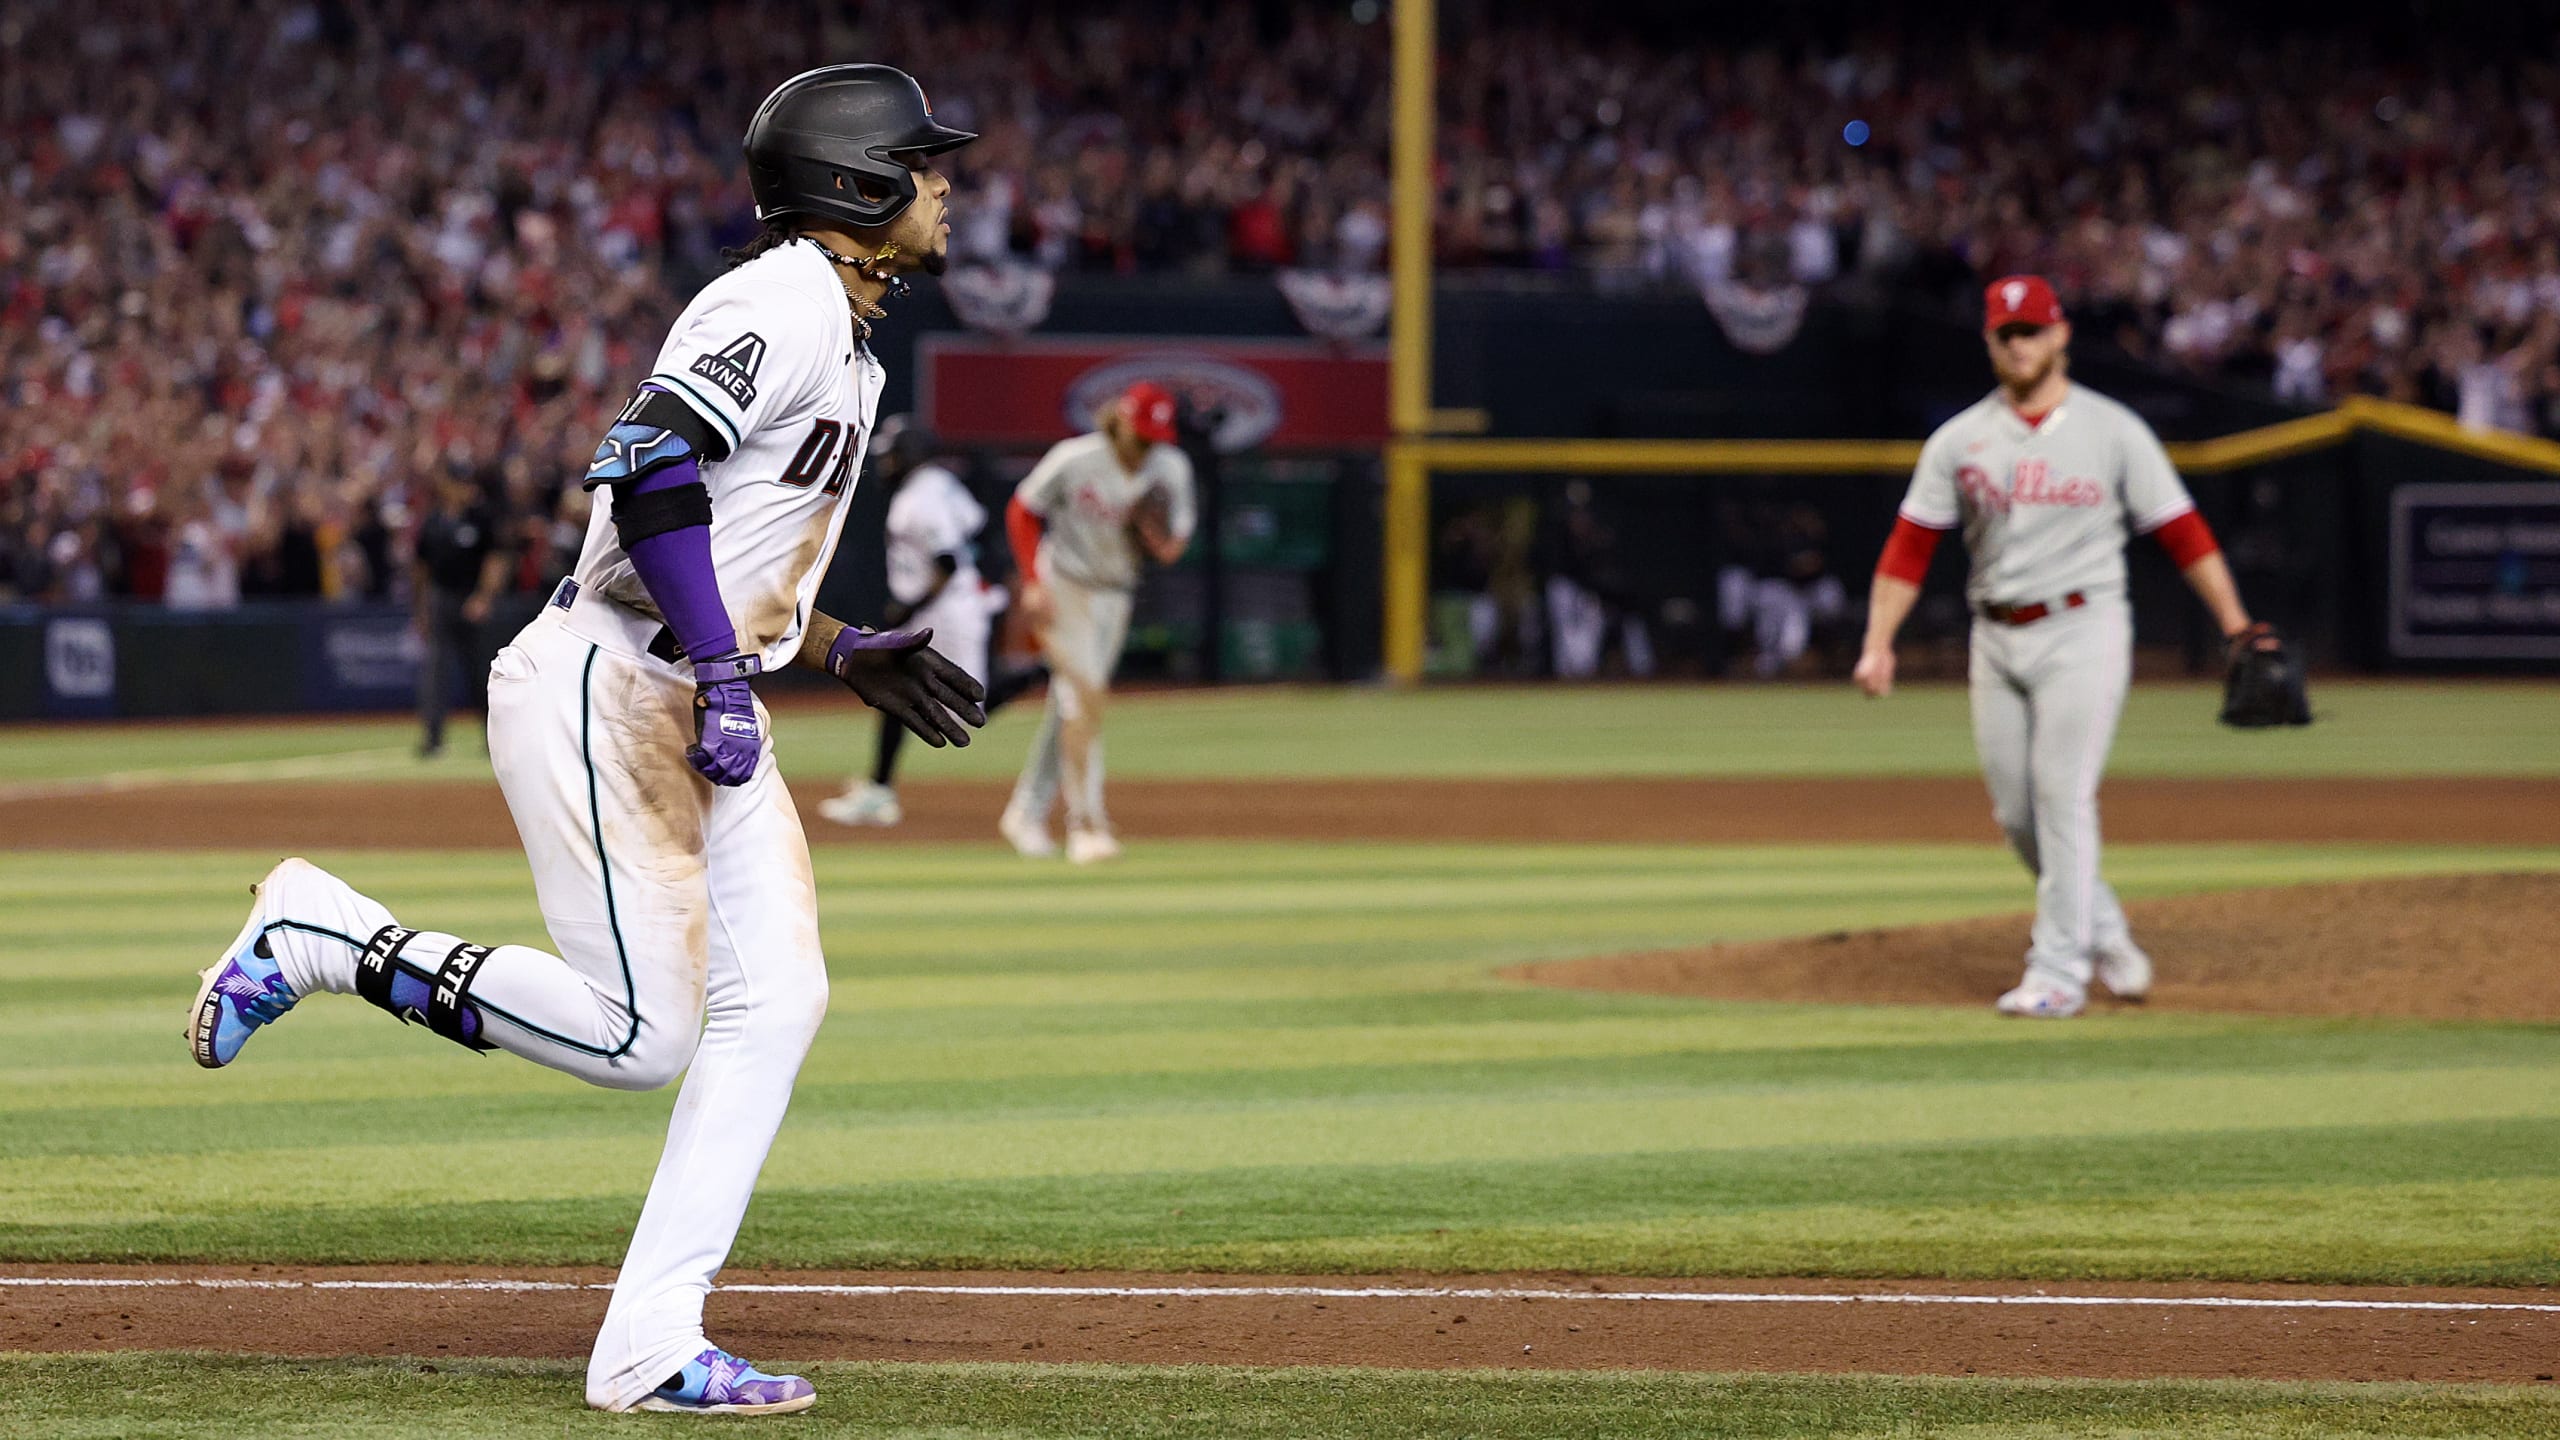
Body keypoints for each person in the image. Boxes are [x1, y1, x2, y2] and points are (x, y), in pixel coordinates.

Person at [183, 65, 988, 1416]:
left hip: (690, 693)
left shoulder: (840, 335)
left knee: (779, 1002)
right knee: (640, 1038)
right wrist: (731, 672)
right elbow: (650, 466)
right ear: (858, 185)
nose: (946, 184)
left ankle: (649, 1344)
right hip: (608, 689)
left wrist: (835, 646)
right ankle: (324, 938)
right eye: (924, 163)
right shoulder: (776, 299)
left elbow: (717, 538)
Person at [1852, 275, 2258, 1019]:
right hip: (1995, 637)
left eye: (2032, 330)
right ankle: (2104, 931)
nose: (2020, 345)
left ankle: (2058, 971)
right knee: (2018, 815)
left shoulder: (2114, 430)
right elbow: (1909, 549)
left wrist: (2235, 623)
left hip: (2085, 626)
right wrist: (1879, 642)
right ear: (1989, 342)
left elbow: (2181, 531)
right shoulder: (1960, 439)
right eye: (2006, 334)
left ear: (2061, 334)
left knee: (2062, 795)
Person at [998, 382, 1195, 863]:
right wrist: (1031, 581)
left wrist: (1157, 539)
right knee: (1085, 697)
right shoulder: (1077, 457)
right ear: (1121, 422)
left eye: (1156, 438)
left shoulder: (1170, 467)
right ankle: (1086, 827)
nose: (1147, 447)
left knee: (1073, 705)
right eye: (1141, 436)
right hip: (1063, 585)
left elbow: (1174, 547)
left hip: (1116, 595)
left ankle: (1025, 811)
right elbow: (1023, 510)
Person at [818, 416, 1040, 827]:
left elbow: (947, 561)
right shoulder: (939, 484)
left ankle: (1040, 673)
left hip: (945, 611)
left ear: (912, 455)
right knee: (894, 683)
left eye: (893, 455)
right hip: (950, 605)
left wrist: (910, 606)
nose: (886, 463)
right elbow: (974, 527)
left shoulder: (922, 497)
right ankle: (879, 789)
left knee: (967, 706)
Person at [412, 467, 513, 757]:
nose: (465, 489)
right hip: (441, 599)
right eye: (459, 483)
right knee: (435, 673)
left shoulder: (481, 516)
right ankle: (432, 740)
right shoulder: (433, 521)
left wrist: (484, 597)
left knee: (481, 673)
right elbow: (420, 569)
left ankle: (492, 739)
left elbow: (495, 559)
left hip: (472, 600)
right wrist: (420, 610)